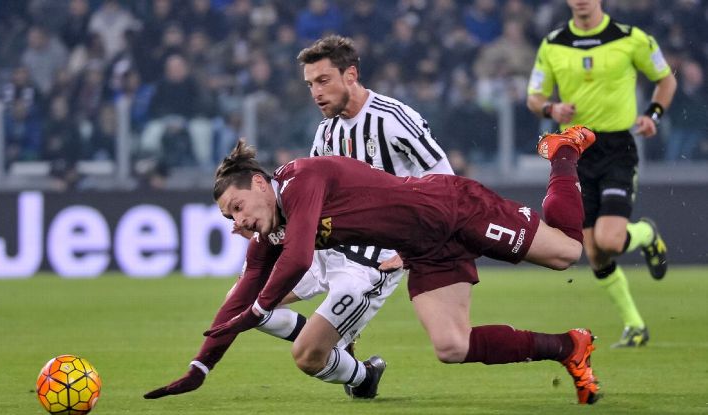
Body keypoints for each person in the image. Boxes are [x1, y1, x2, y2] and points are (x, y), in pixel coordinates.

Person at [150, 125, 603, 405]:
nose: (238, 221)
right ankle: (569, 347)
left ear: (258, 183)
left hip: (453, 209)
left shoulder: (302, 178)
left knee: (566, 252)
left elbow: (300, 257)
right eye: (229, 218)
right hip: (424, 248)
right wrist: (200, 368)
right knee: (451, 346)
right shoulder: (272, 226)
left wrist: (260, 310)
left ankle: (563, 151)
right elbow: (247, 285)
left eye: (237, 207)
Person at [145, 34, 455, 400]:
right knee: (238, 297)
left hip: (375, 253)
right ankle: (354, 365)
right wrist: (201, 366)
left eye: (323, 81)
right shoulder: (326, 133)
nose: (315, 93)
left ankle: (340, 352)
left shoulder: (393, 119)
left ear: (351, 76)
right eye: (310, 84)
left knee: (306, 353)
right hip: (324, 244)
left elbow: (445, 184)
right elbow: (306, 206)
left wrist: (413, 249)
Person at [526, 0, 677, 348]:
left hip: (616, 149)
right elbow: (534, 96)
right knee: (594, 253)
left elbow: (665, 80)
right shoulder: (553, 43)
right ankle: (635, 325)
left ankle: (644, 233)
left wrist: (652, 115)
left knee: (609, 241)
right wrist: (551, 108)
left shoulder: (631, 38)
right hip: (575, 150)